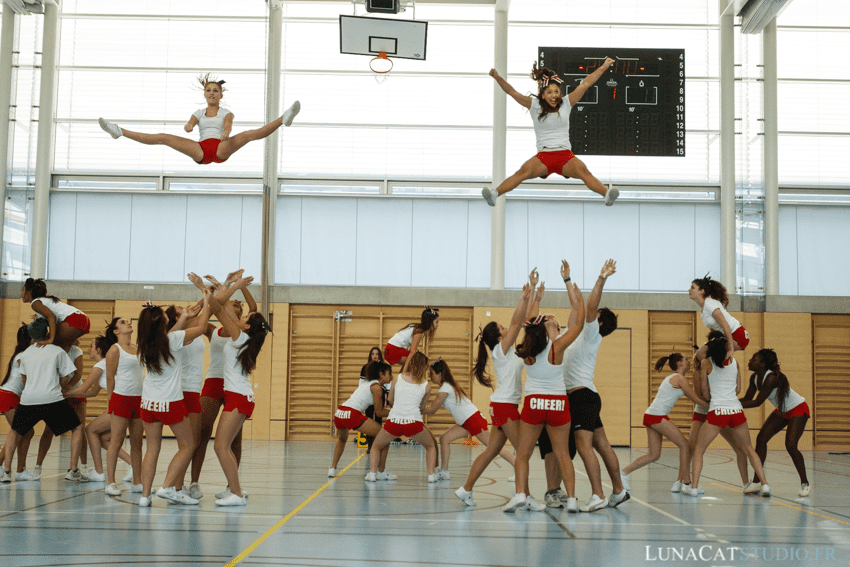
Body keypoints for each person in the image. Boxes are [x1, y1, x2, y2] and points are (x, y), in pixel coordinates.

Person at [537, 260, 629, 512]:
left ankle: (598, 494)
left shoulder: (591, 333)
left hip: (581, 396)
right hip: (585, 396)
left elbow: (589, 306)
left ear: (598, 320)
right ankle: (618, 490)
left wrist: (601, 278)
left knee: (584, 446)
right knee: (602, 444)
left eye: (594, 314)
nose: (589, 313)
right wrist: (567, 281)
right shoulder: (576, 332)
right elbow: (578, 306)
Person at [483, 61, 619, 207]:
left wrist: (604, 66)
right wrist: (497, 77)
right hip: (543, 157)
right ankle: (494, 194)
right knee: (522, 172)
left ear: (560, 93)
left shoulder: (567, 103)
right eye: (549, 92)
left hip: (565, 156)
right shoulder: (534, 105)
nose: (553, 95)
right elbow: (511, 91)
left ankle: (606, 194)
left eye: (556, 91)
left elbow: (585, 84)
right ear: (542, 95)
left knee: (583, 171)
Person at [504, 276, 586, 514]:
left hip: (534, 402)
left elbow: (528, 322)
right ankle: (571, 500)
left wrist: (535, 299)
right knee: (563, 454)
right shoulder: (557, 347)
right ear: (546, 328)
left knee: (523, 454)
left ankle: (521, 494)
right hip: (559, 403)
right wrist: (579, 300)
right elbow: (578, 325)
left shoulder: (527, 350)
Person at [98, 74, 300, 166]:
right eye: (208, 90)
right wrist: (188, 126)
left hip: (221, 147)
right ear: (205, 94)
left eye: (215, 91)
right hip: (201, 149)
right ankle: (119, 131)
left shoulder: (226, 112)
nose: (211, 93)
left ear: (221, 95)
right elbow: (191, 123)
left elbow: (228, 125)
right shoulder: (199, 112)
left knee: (249, 135)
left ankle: (284, 118)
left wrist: (227, 133)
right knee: (163, 138)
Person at [455, 283, 533, 507]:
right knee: (523, 452)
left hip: (500, 405)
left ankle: (465, 489)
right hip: (505, 407)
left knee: (491, 451)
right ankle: (525, 497)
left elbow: (519, 323)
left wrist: (530, 299)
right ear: (499, 337)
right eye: (501, 327)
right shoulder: (501, 349)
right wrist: (523, 298)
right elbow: (517, 322)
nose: (506, 328)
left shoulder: (505, 351)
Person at [186, 270, 257, 500]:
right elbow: (212, 306)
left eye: (237, 304)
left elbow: (252, 308)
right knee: (202, 433)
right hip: (214, 382)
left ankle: (231, 486)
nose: (232, 303)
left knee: (233, 440)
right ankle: (194, 483)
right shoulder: (213, 330)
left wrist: (235, 285)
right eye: (230, 300)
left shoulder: (245, 331)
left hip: (234, 387)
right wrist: (220, 285)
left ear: (241, 312)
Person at [136, 294, 211, 507]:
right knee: (188, 445)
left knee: (152, 449)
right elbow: (203, 326)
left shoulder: (144, 344)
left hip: (148, 404)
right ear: (162, 322)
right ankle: (168, 487)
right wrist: (206, 302)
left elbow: (172, 333)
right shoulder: (173, 340)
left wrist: (184, 316)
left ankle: (144, 496)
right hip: (170, 402)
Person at [207, 277, 269, 506]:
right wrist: (223, 284)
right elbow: (226, 310)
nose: (240, 317)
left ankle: (237, 494)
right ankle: (234, 489)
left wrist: (230, 288)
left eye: (244, 318)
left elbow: (215, 307)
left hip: (238, 397)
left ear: (247, 326)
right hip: (241, 396)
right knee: (226, 446)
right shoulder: (245, 336)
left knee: (220, 446)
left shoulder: (238, 335)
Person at [686, 334, 769, 497]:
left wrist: (712, 395)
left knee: (699, 450)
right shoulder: (735, 362)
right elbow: (738, 389)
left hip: (718, 410)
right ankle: (764, 485)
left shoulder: (705, 363)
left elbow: (704, 391)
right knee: (748, 449)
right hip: (736, 410)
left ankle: (694, 487)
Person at [2, 320, 81, 483]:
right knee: (77, 428)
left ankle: (7, 472)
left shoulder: (25, 354)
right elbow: (66, 377)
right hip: (52, 399)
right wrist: (60, 387)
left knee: (15, 431)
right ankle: (73, 469)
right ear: (47, 333)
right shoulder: (57, 351)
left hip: (28, 399)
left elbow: (25, 379)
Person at [620, 353, 709, 493]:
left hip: (651, 415)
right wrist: (714, 407)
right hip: (656, 415)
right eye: (686, 359)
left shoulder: (672, 377)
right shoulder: (680, 378)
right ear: (680, 363)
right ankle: (686, 483)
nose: (688, 361)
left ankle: (622, 474)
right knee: (685, 446)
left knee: (654, 455)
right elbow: (696, 399)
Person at [422, 359, 516, 481]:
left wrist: (416, 410)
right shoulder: (448, 386)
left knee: (494, 448)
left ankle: (518, 467)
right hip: (465, 423)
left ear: (439, 375)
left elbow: (433, 410)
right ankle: (444, 471)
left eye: (432, 373)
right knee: (444, 439)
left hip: (474, 420)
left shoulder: (445, 388)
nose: (430, 376)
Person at [740, 348, 811, 497]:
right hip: (782, 410)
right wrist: (726, 402)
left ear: (762, 364)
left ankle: (805, 483)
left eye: (754, 358)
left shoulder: (771, 377)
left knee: (791, 445)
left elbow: (758, 402)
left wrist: (731, 405)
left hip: (798, 408)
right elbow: (747, 398)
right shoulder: (754, 377)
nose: (750, 360)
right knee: (761, 438)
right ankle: (757, 481)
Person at [62, 335, 133, 483]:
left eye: (91, 346)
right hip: (125, 404)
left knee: (89, 430)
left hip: (121, 405)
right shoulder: (106, 364)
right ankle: (133, 464)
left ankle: (99, 472)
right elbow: (93, 392)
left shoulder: (100, 366)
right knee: (103, 439)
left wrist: (62, 393)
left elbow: (82, 389)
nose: (88, 349)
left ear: (98, 350)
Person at [367, 352, 438, 482]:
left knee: (376, 446)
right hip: (414, 423)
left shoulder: (398, 378)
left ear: (410, 364)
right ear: (424, 367)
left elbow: (390, 400)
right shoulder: (426, 386)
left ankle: (372, 474)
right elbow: (421, 407)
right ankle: (431, 476)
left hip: (394, 421)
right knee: (431, 446)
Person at [103, 317, 145, 497]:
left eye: (128, 321)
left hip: (139, 399)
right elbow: (110, 378)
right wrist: (111, 402)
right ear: (116, 331)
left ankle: (137, 482)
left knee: (137, 443)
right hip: (121, 399)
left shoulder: (138, 348)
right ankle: (111, 482)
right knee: (116, 441)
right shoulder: (114, 349)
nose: (128, 323)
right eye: (122, 322)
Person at [329, 361, 393, 478]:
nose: (392, 376)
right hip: (352, 414)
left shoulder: (368, 383)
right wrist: (396, 411)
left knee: (342, 440)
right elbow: (379, 412)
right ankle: (381, 472)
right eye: (390, 373)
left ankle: (332, 469)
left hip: (340, 413)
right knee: (385, 437)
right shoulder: (377, 388)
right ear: (381, 374)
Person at [0, 324, 37, 482]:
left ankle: (19, 468)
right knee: (19, 431)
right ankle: (17, 469)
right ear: (29, 339)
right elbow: (27, 380)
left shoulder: (23, 354)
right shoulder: (23, 356)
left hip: (10, 395)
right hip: (8, 395)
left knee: (25, 432)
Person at [689, 275, 749, 365]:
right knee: (703, 355)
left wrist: (731, 349)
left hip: (738, 335)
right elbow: (713, 330)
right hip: (727, 335)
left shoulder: (710, 304)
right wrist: (710, 342)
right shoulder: (703, 309)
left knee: (702, 354)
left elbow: (725, 325)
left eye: (692, 287)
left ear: (701, 291)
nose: (689, 290)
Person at [21, 278, 91, 352]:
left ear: (29, 292)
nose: (21, 293)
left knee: (49, 344)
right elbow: (47, 322)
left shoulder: (35, 303)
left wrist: (50, 340)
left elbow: (51, 316)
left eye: (23, 290)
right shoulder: (44, 301)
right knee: (62, 346)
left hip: (74, 319)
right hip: (83, 319)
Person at [360, 347, 386, 453]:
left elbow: (387, 383)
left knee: (378, 420)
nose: (375, 356)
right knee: (369, 420)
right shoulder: (365, 368)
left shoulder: (383, 368)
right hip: (368, 396)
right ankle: (370, 445)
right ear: (370, 356)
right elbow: (361, 385)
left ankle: (377, 445)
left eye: (377, 354)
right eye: (373, 354)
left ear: (380, 356)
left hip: (380, 395)